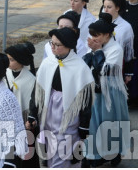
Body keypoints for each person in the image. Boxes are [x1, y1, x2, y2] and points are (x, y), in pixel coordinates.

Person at [30, 26, 94, 167]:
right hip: (49, 108)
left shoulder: (80, 67)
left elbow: (85, 99)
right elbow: (38, 91)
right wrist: (33, 113)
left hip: (68, 111)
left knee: (64, 143)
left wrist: (84, 125)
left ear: (69, 46)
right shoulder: (48, 62)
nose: (53, 47)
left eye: (57, 45)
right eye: (51, 43)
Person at [82, 14, 130, 167]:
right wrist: (93, 52)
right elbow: (85, 66)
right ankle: (94, 154)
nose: (93, 38)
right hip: (95, 91)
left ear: (107, 35)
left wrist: (97, 51)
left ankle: (113, 153)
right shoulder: (96, 47)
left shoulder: (115, 49)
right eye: (92, 35)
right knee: (94, 123)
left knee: (110, 123)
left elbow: (103, 70)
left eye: (97, 35)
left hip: (110, 93)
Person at [4, 42, 39, 168]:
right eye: (7, 58)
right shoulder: (5, 73)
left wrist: (30, 119)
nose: (8, 62)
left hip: (22, 124)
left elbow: (32, 102)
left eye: (12, 59)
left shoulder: (30, 79)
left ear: (21, 61)